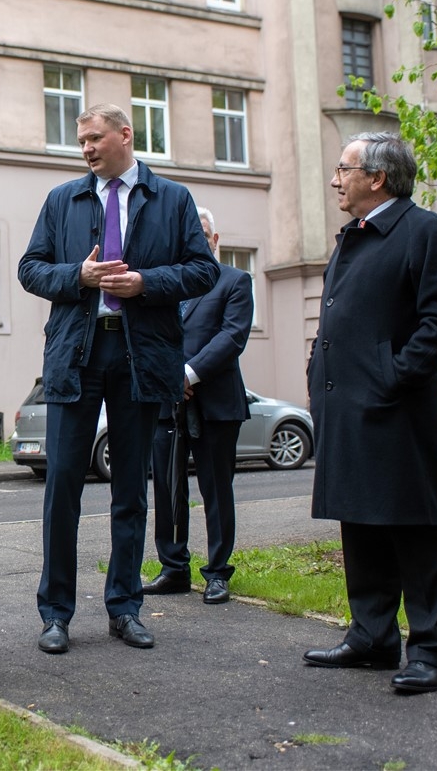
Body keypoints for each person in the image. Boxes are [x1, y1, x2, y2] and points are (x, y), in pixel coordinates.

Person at [19, 104, 219, 654]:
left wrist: (145, 283)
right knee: (61, 486)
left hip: (140, 355)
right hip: (77, 355)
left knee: (131, 489)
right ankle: (55, 614)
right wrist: (78, 276)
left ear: (125, 135)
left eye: (94, 139)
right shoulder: (63, 200)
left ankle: (125, 608)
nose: (85, 149)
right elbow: (29, 268)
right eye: (80, 141)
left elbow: (203, 270)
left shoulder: (172, 198)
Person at [303, 132, 437, 694]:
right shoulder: (354, 237)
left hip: (395, 407)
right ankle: (372, 637)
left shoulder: (426, 232)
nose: (334, 180)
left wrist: (390, 376)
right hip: (345, 404)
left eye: (343, 170)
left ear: (376, 177)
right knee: (362, 519)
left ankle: (432, 653)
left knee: (418, 528)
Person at [146, 206, 253, 605]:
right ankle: (173, 569)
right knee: (167, 491)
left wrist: (187, 375)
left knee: (215, 490)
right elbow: (150, 336)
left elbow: (232, 337)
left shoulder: (235, 281)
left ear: (214, 239)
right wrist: (168, 376)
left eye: (201, 234)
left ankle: (217, 572)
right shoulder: (166, 285)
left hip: (216, 406)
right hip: (165, 406)